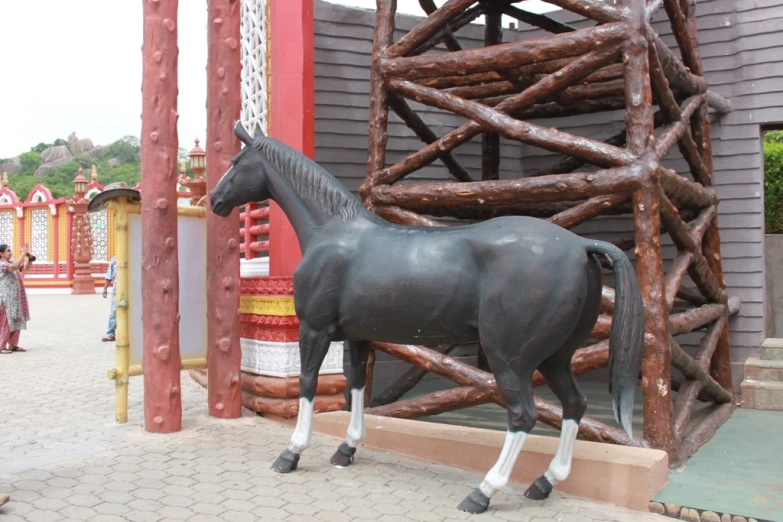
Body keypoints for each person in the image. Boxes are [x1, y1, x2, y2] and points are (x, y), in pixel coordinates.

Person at [0, 243, 31, 354]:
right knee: (6, 322)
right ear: (1, 254)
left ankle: (13, 345)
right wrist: (22, 253)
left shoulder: (11, 262)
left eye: (11, 250)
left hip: (16, 298)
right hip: (5, 299)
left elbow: (24, 267)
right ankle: (1, 346)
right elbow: (14, 267)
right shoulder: (1, 264)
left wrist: (29, 258)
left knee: (17, 320)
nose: (11, 252)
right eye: (8, 251)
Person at [102, 256, 117, 342]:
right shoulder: (114, 260)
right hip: (117, 291)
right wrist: (105, 288)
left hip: (131, 291)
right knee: (113, 312)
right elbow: (109, 275)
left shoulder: (132, 258)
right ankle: (111, 334)